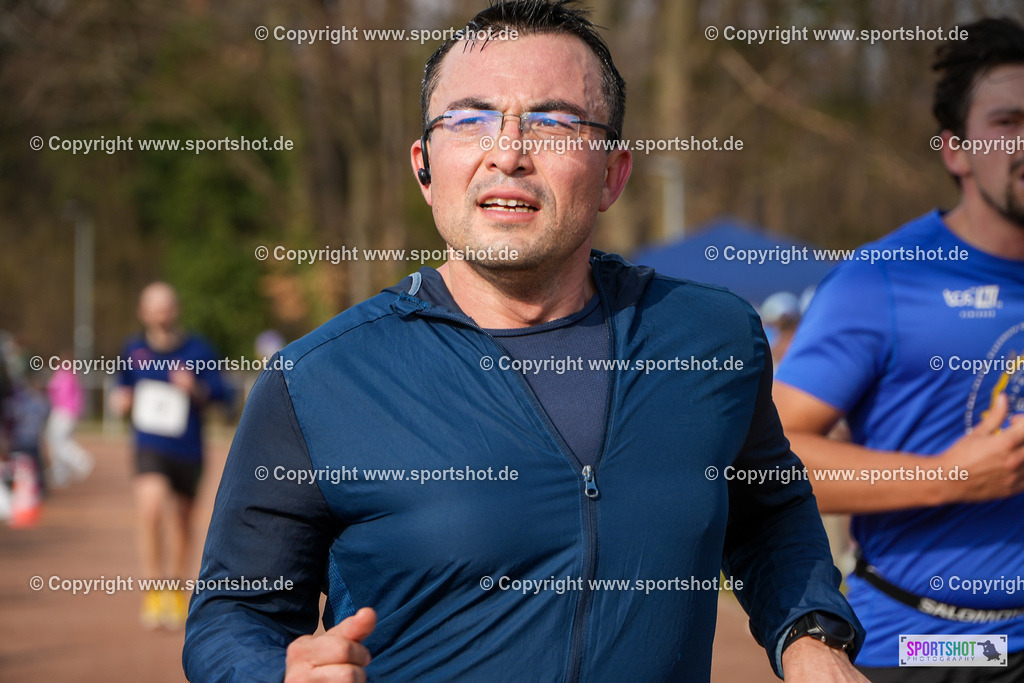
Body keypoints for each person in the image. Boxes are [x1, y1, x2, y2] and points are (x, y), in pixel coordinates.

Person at [184, 2, 866, 681]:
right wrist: (273, 673)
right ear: (424, 166)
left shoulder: (712, 338)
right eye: (471, 119)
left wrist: (809, 633)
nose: (508, 152)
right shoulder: (318, 378)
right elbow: (231, 617)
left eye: (553, 121)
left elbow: (768, 510)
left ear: (613, 173)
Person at [774, 17, 1024, 681]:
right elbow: (773, 458)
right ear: (956, 150)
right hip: (930, 646)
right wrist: (952, 475)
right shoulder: (883, 279)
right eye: (1008, 120)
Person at [111, 282, 230, 630]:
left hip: (188, 449)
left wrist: (195, 388)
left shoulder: (198, 349)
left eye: (167, 305)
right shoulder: (132, 349)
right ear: (142, 312)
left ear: (176, 309)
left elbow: (222, 395)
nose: (161, 312)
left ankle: (174, 590)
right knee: (149, 508)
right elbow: (122, 387)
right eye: (154, 306)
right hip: (149, 445)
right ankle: (153, 591)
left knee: (181, 520)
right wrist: (121, 399)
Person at [45, 354, 93, 487]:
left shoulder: (63, 376)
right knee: (58, 442)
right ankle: (61, 474)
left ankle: (81, 461)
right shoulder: (73, 376)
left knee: (58, 442)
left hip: (63, 412)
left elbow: (55, 391)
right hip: (69, 413)